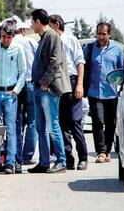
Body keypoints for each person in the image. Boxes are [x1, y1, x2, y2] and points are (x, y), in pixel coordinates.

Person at [28, 9, 71, 174]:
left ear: (38, 21)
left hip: (49, 89)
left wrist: (45, 82)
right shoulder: (42, 38)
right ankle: (44, 162)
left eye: (32, 22)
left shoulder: (52, 36)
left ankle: (61, 161)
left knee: (52, 125)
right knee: (40, 127)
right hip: (39, 88)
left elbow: (55, 62)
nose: (32, 25)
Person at [0, 19, 26, 174]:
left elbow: (23, 71)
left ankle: (10, 162)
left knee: (11, 128)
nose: (6, 40)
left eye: (9, 37)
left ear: (13, 36)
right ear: (0, 35)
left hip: (9, 94)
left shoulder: (18, 48)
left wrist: (16, 90)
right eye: (3, 36)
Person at [83, 22, 124, 163]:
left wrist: (123, 88)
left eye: (104, 34)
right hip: (94, 92)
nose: (101, 36)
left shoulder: (117, 51)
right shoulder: (89, 49)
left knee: (110, 123)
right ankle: (101, 151)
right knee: (97, 121)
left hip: (111, 93)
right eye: (99, 33)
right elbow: (82, 67)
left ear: (109, 34)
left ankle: (107, 151)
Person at [49, 14, 88, 170]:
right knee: (62, 122)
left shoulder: (70, 39)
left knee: (74, 120)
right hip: (57, 83)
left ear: (57, 24)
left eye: (51, 25)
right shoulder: (50, 41)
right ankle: (68, 157)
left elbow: (80, 62)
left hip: (71, 81)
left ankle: (83, 157)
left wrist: (79, 84)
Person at [12, 20, 38, 166]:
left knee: (16, 120)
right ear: (22, 30)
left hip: (15, 85)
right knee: (32, 121)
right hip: (30, 83)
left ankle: (16, 154)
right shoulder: (30, 42)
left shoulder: (9, 43)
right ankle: (27, 155)